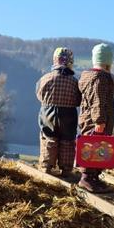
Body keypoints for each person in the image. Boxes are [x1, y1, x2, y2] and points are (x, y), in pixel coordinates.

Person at [78, 43, 114, 192]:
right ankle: (86, 177)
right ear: (108, 62)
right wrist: (99, 120)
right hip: (96, 120)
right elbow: (98, 101)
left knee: (100, 148)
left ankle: (94, 177)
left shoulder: (88, 76)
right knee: (91, 147)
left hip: (90, 118)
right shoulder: (100, 78)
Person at [35, 47, 81, 176]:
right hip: (68, 114)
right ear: (71, 62)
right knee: (67, 141)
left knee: (48, 138)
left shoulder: (45, 78)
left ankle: (46, 167)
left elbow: (39, 94)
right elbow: (79, 100)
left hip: (47, 112)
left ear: (54, 61)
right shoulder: (75, 82)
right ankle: (66, 169)